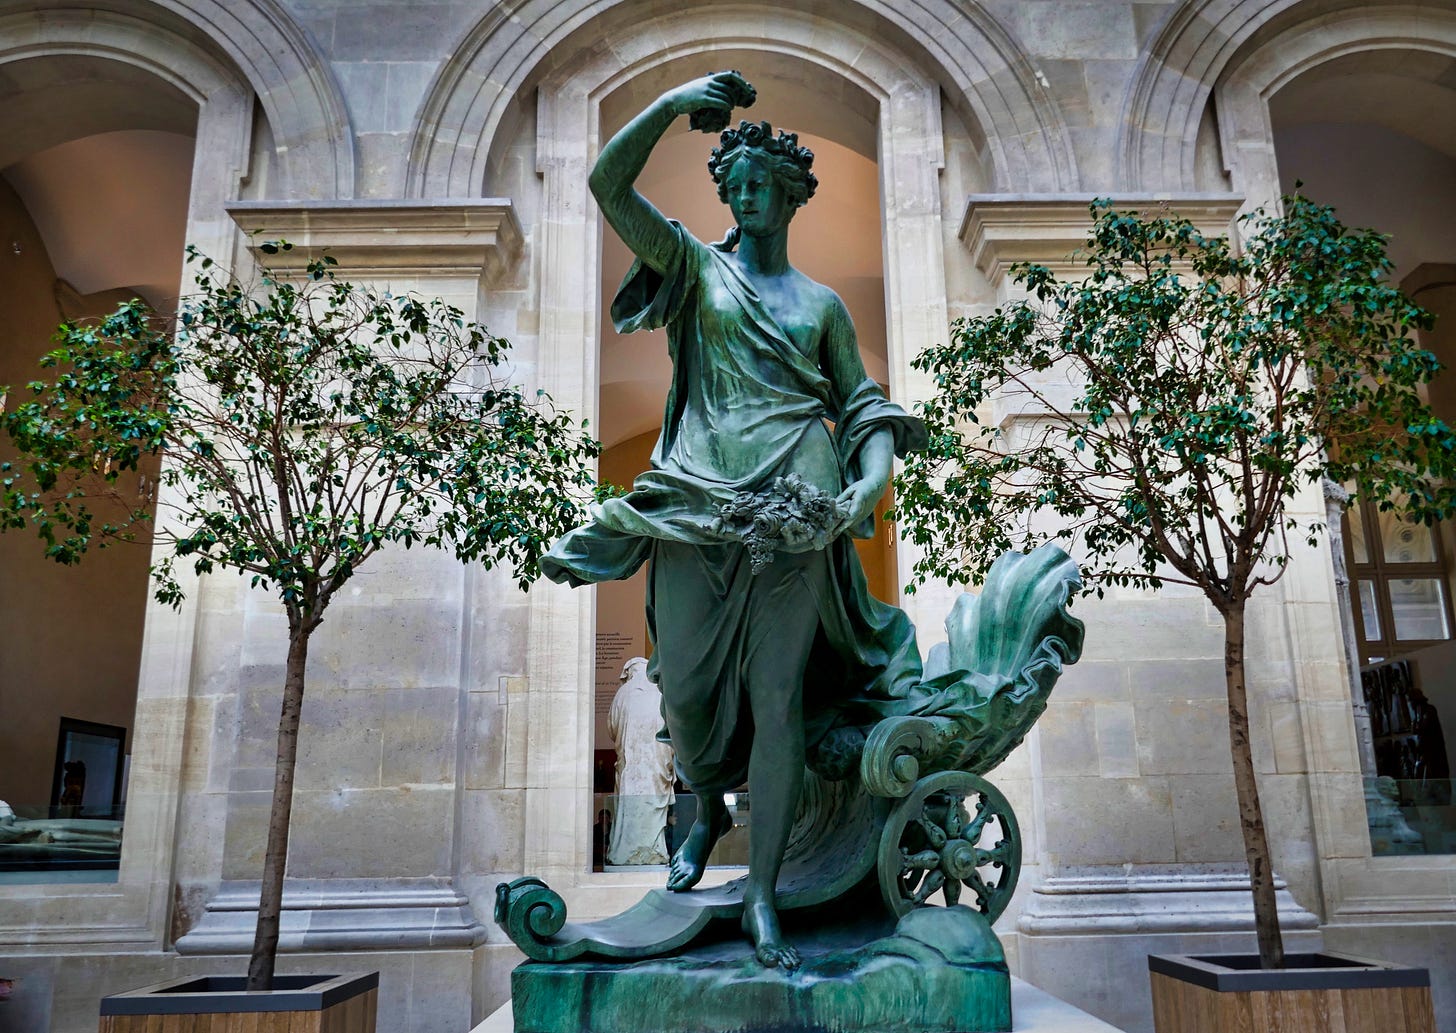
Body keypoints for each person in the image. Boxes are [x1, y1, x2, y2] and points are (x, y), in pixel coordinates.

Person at [540, 71, 926, 969]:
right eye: (735, 183)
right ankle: (706, 804)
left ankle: (761, 896)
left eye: (761, 184)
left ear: (790, 196)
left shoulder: (822, 308)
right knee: (688, 696)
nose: (745, 195)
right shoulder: (693, 266)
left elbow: (864, 411)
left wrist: (867, 489)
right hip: (695, 513)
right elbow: (605, 184)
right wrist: (676, 102)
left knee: (779, 703)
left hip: (796, 520)